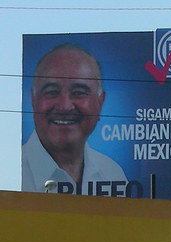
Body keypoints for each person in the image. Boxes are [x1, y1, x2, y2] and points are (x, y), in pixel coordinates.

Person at [22, 42, 128, 194]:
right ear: (33, 100)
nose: (64, 106)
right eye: (52, 92)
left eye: (78, 92)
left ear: (100, 102)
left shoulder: (112, 174)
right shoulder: (10, 171)